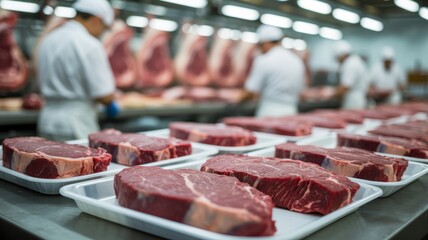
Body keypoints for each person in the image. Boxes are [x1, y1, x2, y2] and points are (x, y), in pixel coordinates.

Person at [37, 0, 119, 141]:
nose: (102, 32)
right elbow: (104, 95)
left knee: (46, 160)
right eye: (104, 28)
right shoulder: (89, 44)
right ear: (96, 20)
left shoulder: (48, 40)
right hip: (76, 122)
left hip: (46, 119)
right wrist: (112, 105)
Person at [243, 25, 305, 117]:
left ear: (265, 42)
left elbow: (251, 91)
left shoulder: (264, 59)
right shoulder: (296, 60)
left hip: (269, 112)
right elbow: (301, 89)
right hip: (291, 111)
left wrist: (237, 100)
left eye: (260, 45)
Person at [334, 40, 370, 109]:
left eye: (338, 57)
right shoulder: (356, 60)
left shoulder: (350, 64)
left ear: (342, 55)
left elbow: (345, 86)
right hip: (358, 98)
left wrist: (330, 94)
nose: (338, 60)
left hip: (353, 102)